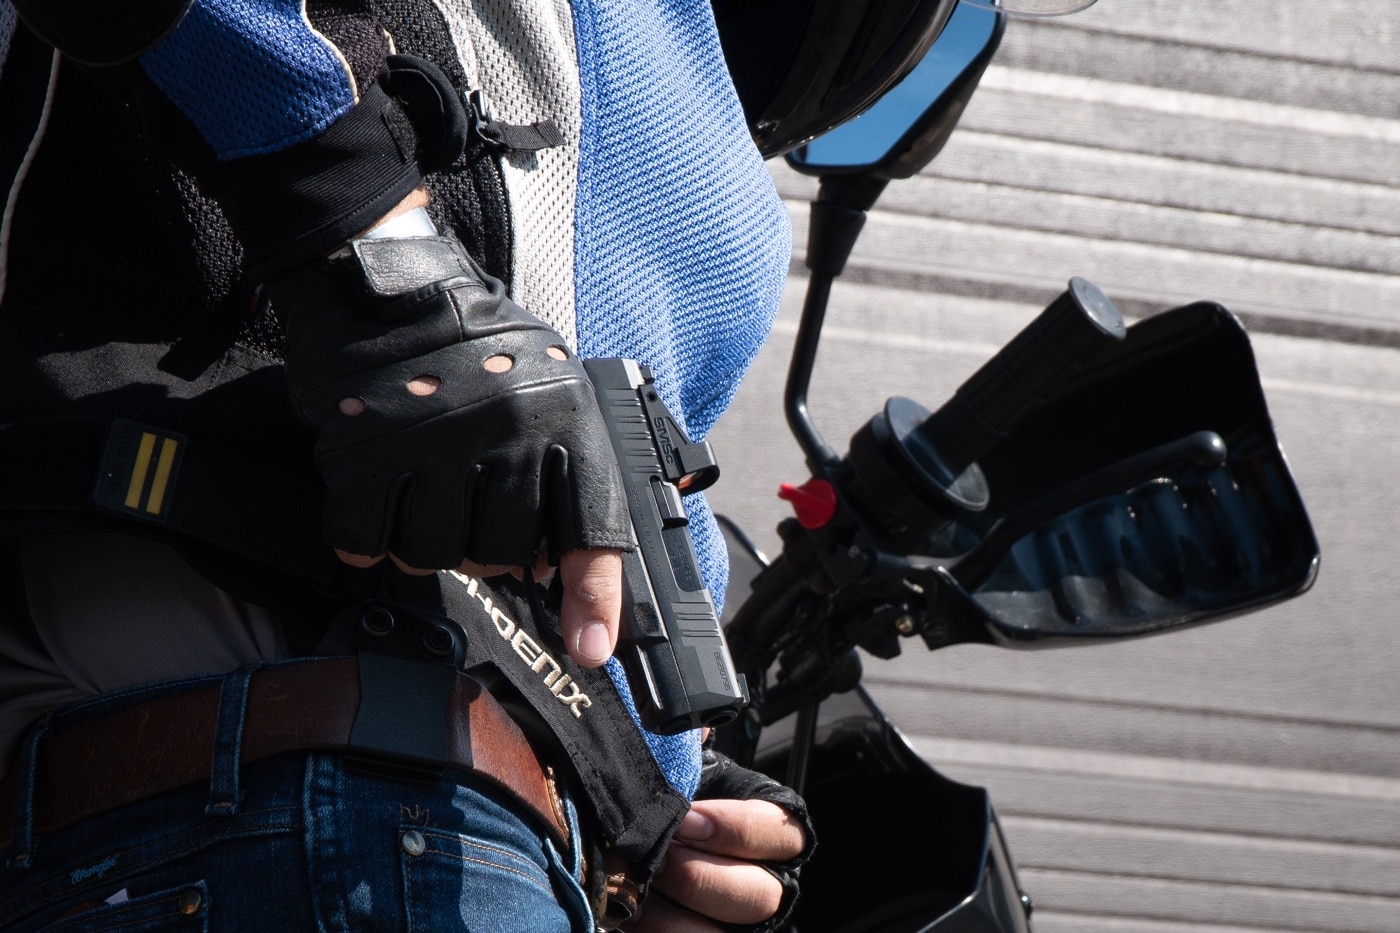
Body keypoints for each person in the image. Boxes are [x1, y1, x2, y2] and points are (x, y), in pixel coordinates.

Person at [0, 0, 814, 930]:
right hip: (280, 751)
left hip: (460, 820)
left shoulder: (683, 77)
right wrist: (359, 226)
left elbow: (620, 473)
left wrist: (659, 795)